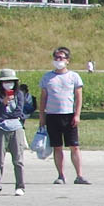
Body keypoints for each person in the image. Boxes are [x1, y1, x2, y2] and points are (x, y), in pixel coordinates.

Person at [38, 47, 89, 185]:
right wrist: (42, 116)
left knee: (74, 146)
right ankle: (61, 175)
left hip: (69, 115)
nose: (58, 60)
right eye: (56, 58)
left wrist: (77, 114)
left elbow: (79, 97)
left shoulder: (74, 76)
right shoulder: (47, 77)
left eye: (61, 58)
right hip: (52, 115)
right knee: (57, 147)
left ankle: (79, 175)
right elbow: (43, 98)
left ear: (67, 60)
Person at [0, 69, 33, 192]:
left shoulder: (19, 95)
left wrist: (1, 116)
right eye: (5, 81)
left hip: (16, 127)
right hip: (0, 128)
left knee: (18, 160)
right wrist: (4, 103)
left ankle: (20, 186)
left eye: (11, 81)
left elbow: (18, 112)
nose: (8, 83)